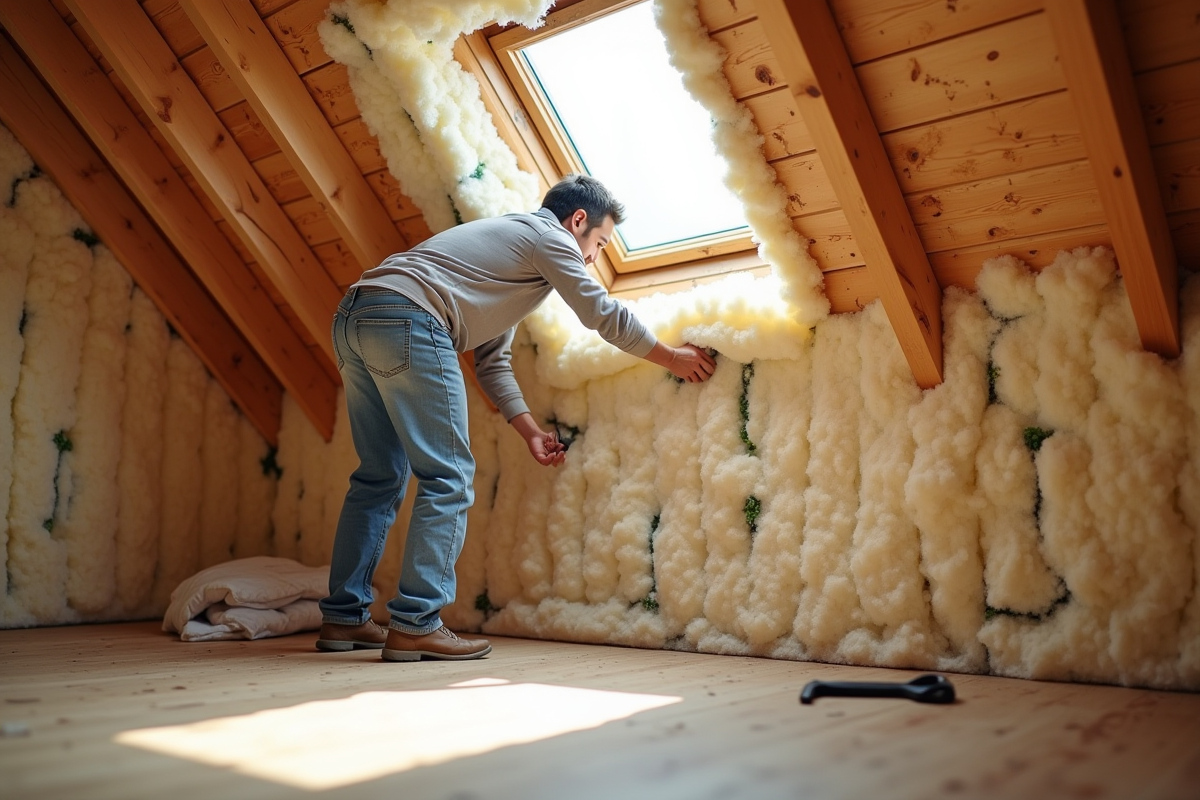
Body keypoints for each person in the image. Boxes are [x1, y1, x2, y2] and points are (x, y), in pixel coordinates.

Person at [316, 174, 717, 661]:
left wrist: (529, 431)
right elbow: (601, 314)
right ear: (577, 222)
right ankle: (416, 623)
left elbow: (491, 360)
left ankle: (344, 619)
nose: (593, 258)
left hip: (356, 315)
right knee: (449, 477)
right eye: (600, 243)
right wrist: (672, 358)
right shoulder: (550, 238)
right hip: (410, 316)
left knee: (379, 476)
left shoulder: (508, 253)